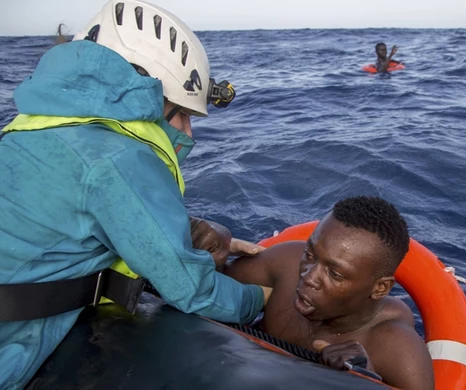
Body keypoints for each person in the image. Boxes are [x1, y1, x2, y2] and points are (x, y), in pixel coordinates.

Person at [0, 1, 270, 389]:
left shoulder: (32, 126)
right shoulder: (120, 156)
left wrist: (184, 228)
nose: (189, 134)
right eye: (183, 115)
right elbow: (193, 292)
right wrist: (261, 298)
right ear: (149, 98)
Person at [223, 196, 435, 390]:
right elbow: (205, 286)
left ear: (380, 288)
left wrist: (366, 381)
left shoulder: (396, 349)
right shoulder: (286, 262)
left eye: (334, 274)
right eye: (310, 254)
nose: (308, 277)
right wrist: (206, 249)